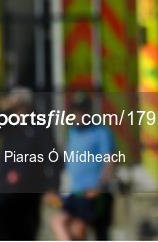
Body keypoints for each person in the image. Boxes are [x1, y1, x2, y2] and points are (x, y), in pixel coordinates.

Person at [0, 87, 60, 240]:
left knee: (25, 232)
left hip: (29, 190)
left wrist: (52, 186)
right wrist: (1, 107)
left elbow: (53, 156)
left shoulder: (38, 125)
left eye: (19, 104)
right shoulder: (8, 123)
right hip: (6, 189)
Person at [51, 92, 115, 240]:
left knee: (80, 229)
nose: (77, 115)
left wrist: (100, 186)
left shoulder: (101, 131)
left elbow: (109, 160)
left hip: (91, 192)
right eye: (75, 111)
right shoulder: (72, 132)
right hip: (74, 191)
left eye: (81, 111)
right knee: (58, 222)